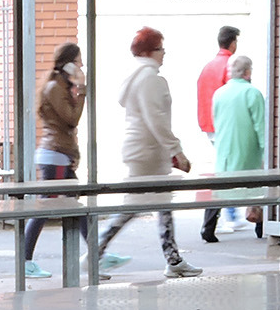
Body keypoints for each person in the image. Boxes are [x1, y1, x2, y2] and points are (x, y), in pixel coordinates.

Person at [92, 27, 201, 278]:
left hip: (143, 151)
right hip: (148, 152)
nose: (164, 53)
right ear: (150, 51)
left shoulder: (136, 77)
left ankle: (172, 259)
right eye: (160, 48)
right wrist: (176, 150)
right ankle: (94, 254)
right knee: (135, 207)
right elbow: (156, 119)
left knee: (159, 205)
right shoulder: (150, 79)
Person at [18, 43, 107, 280]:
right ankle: (24, 260)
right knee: (46, 207)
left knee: (78, 209)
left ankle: (97, 256)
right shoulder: (54, 88)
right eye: (77, 61)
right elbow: (72, 119)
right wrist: (82, 89)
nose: (81, 65)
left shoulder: (60, 87)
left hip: (59, 155)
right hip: (54, 156)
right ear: (67, 63)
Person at [210, 55, 267, 239]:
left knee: (222, 189)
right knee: (257, 190)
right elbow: (261, 125)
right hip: (247, 151)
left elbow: (215, 121)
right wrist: (265, 151)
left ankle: (208, 227)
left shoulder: (219, 93)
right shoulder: (252, 93)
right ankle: (260, 228)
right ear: (248, 72)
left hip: (224, 150)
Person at [195, 26, 238, 243]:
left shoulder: (208, 66)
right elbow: (233, 97)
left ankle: (227, 216)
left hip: (208, 124)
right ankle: (226, 217)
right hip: (224, 125)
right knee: (228, 171)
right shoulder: (230, 66)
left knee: (224, 169)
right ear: (233, 43)